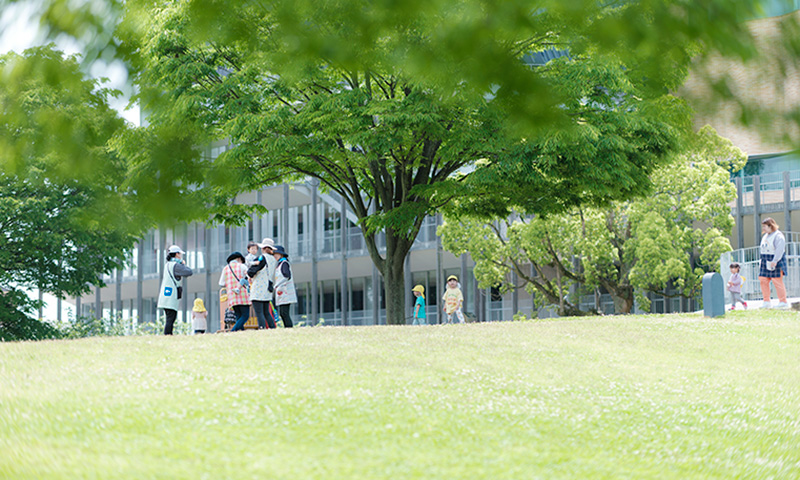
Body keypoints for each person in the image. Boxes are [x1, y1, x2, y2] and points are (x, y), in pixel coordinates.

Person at [157, 245, 193, 335]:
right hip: (171, 296)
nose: (180, 256)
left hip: (165, 295)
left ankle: (168, 335)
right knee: (171, 318)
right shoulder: (176, 265)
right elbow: (189, 272)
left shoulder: (168, 264)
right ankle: (168, 335)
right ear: (176, 254)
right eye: (180, 254)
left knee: (169, 317)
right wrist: (183, 264)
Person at [758, 217, 788, 309]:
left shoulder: (778, 236)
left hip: (775, 260)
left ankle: (783, 302)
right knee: (763, 280)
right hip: (765, 259)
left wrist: (775, 260)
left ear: (770, 226)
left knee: (777, 281)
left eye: (765, 226)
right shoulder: (766, 236)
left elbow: (780, 249)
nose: (763, 228)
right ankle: (766, 301)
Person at [248, 237, 278, 329]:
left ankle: (262, 328)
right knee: (266, 312)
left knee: (259, 312)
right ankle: (272, 328)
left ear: (264, 248)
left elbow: (252, 271)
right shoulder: (273, 259)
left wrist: (249, 272)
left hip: (258, 288)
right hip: (267, 288)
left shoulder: (261, 258)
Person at [218, 251, 252, 331]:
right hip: (242, 294)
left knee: (238, 316)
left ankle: (240, 332)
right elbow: (249, 276)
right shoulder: (242, 266)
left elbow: (221, 283)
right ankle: (233, 331)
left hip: (232, 296)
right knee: (245, 315)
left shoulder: (225, 268)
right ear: (239, 259)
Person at [272, 245, 296, 328]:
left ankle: (289, 328)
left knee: (284, 313)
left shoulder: (284, 263)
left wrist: (277, 284)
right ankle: (287, 328)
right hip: (282, 292)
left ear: (281, 254)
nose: (274, 255)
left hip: (285, 291)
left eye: (276, 254)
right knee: (283, 313)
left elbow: (286, 276)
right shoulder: (280, 264)